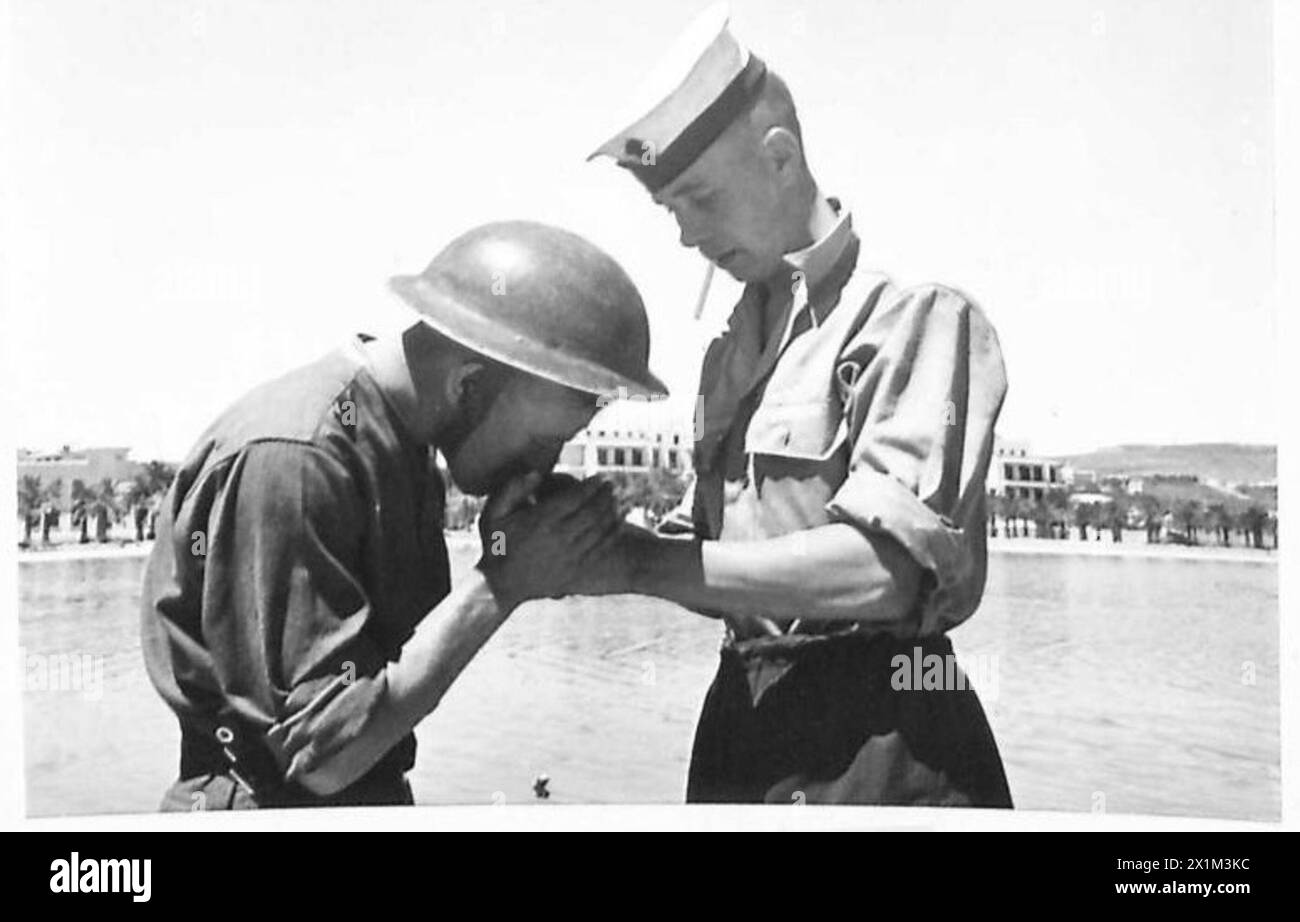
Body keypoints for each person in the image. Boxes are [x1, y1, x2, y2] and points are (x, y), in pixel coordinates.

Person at [583, 6, 1013, 806]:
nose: (685, 236)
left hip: (882, 741)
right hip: (744, 731)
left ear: (780, 159)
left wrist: (641, 564)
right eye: (669, 209)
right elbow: (713, 550)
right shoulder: (728, 353)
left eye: (700, 200)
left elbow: (884, 574)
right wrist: (586, 541)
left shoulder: (913, 320)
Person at [141, 221, 666, 809]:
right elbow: (326, 758)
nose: (540, 468)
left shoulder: (402, 443)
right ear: (468, 385)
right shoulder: (300, 456)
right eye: (543, 440)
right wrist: (500, 583)